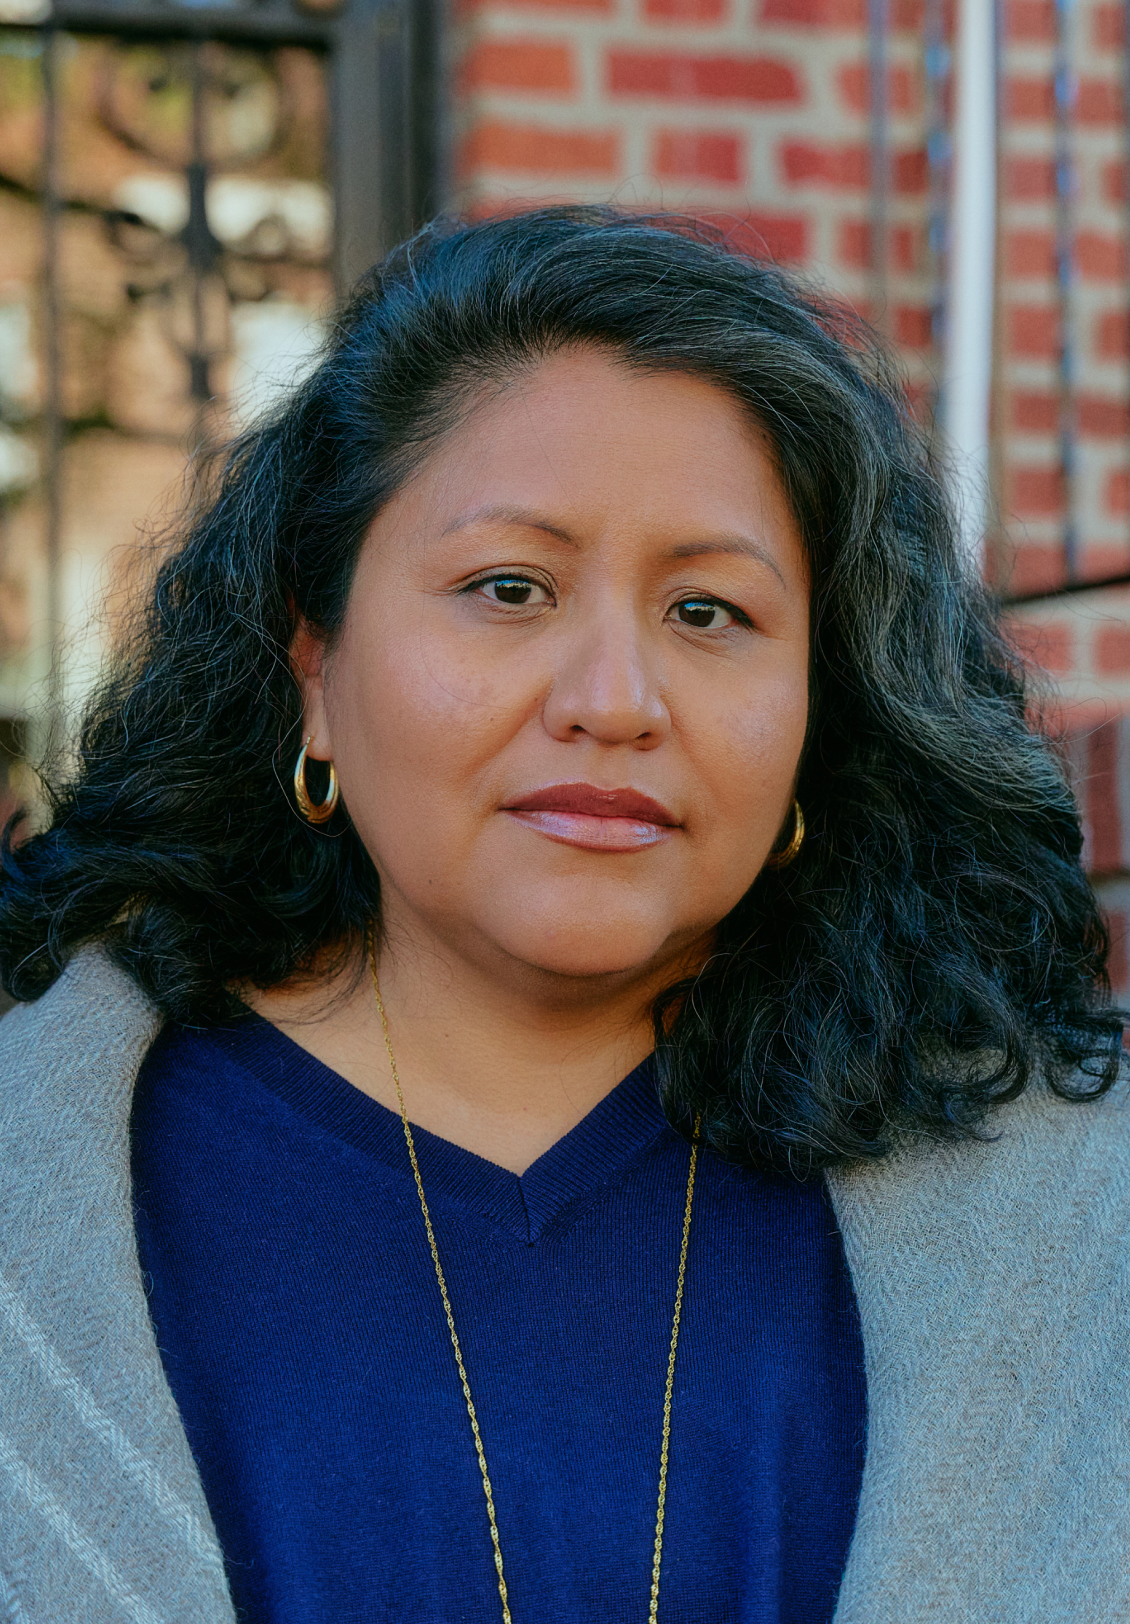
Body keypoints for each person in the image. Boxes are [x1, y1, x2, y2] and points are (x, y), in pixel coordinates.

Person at [0, 207, 1127, 1624]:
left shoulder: (1077, 1229)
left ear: (820, 708)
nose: (613, 697)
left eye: (708, 612)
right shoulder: (47, 1170)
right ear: (314, 666)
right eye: (509, 588)